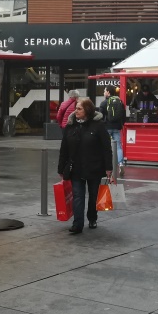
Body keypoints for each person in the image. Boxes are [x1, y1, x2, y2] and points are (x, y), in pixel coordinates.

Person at [58, 98, 113, 234]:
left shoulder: (98, 126)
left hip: (94, 167)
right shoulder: (70, 126)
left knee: (93, 195)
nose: (75, 111)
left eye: (79, 108)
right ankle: (78, 224)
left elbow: (106, 148)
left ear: (87, 110)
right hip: (75, 168)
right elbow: (64, 148)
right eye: (76, 108)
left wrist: (108, 168)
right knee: (78, 195)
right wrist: (61, 168)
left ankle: (92, 217)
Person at [99, 87, 125, 175]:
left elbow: (100, 116)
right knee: (118, 147)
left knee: (105, 146)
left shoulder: (104, 103)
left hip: (106, 127)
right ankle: (120, 164)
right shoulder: (119, 102)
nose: (103, 92)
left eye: (104, 91)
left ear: (108, 92)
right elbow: (123, 114)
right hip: (117, 127)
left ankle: (105, 166)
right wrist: (121, 124)